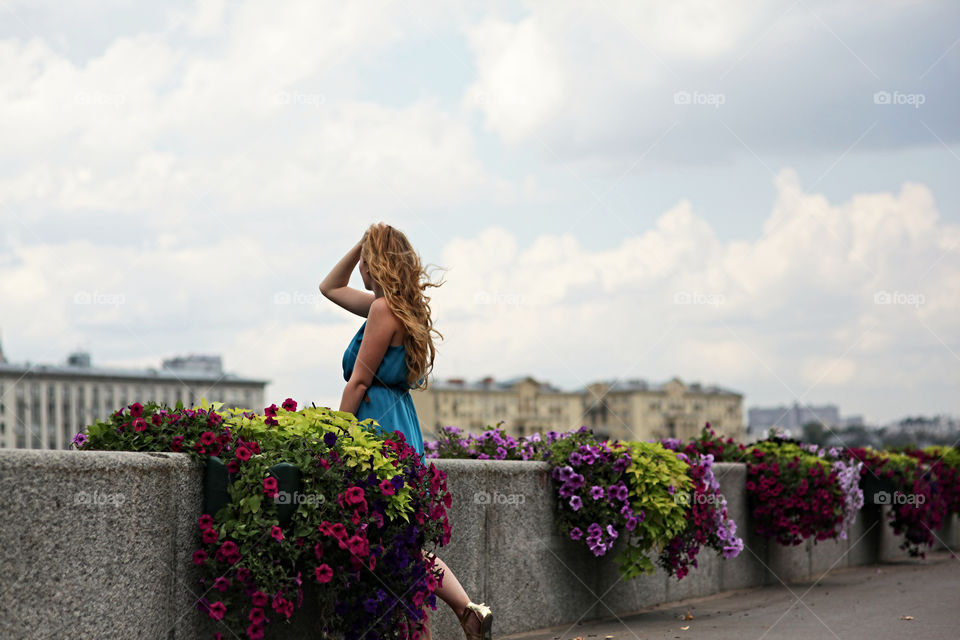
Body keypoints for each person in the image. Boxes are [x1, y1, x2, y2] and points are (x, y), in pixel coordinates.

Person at [319, 222, 493, 640]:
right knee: (402, 537)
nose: (359, 267)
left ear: (375, 263)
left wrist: (335, 438)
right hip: (403, 426)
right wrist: (361, 242)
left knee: (385, 536)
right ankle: (465, 610)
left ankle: (440, 620)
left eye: (364, 259)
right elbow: (330, 287)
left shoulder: (381, 311)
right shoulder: (399, 309)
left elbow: (358, 382)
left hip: (376, 428)